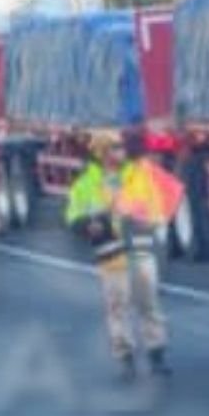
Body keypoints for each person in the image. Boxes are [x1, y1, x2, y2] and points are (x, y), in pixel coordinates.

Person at [65, 131, 171, 379]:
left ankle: (157, 354)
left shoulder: (137, 177)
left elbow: (155, 208)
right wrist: (86, 225)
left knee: (149, 304)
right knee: (118, 308)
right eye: (113, 148)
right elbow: (72, 216)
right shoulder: (85, 184)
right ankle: (125, 358)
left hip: (140, 250)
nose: (120, 152)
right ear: (101, 153)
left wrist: (145, 219)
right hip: (111, 255)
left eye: (121, 147)